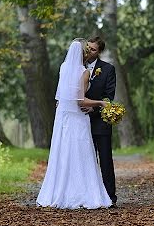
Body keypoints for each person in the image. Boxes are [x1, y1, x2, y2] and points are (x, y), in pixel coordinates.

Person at [36, 39, 112, 209]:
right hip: (78, 118)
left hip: (63, 118)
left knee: (64, 153)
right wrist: (101, 103)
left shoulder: (64, 67)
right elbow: (80, 101)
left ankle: (59, 191)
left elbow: (60, 97)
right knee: (81, 154)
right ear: (83, 53)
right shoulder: (83, 72)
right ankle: (83, 193)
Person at [84, 36, 117, 207]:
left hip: (100, 122)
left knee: (105, 160)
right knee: (83, 160)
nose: (89, 51)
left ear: (100, 52)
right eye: (87, 47)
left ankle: (110, 197)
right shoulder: (75, 66)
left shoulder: (108, 69)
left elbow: (108, 96)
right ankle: (86, 196)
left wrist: (94, 108)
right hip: (79, 123)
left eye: (93, 49)